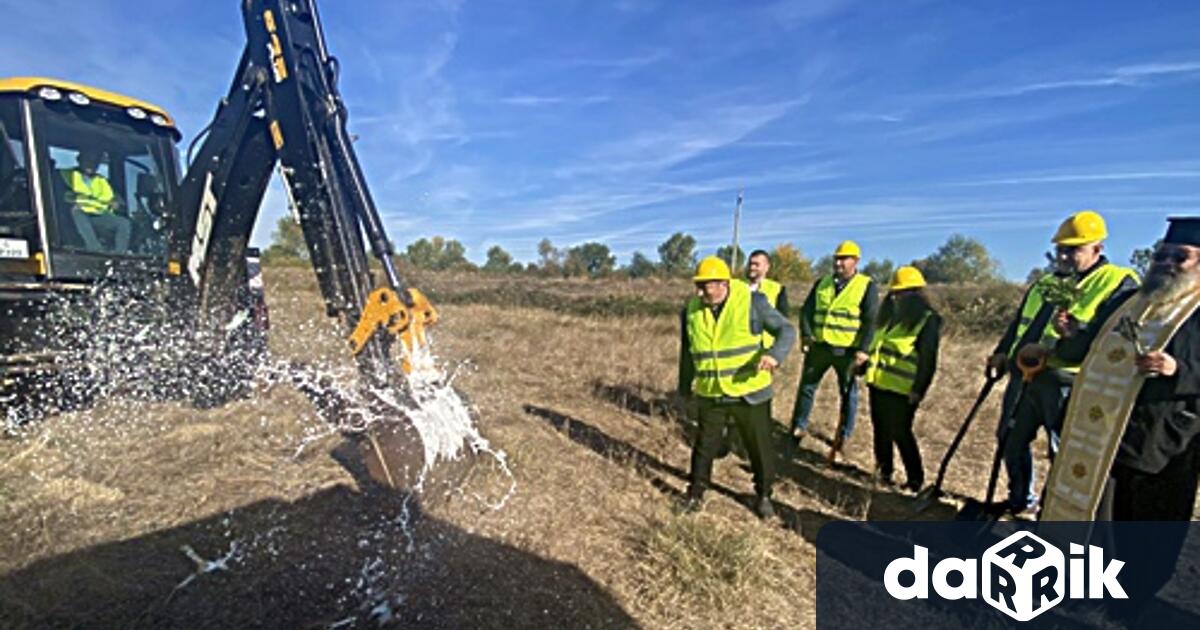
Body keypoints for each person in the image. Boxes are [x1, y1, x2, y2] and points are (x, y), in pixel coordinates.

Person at [1042, 218, 1200, 615]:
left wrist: (1176, 370)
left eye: (1179, 257)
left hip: (1165, 437)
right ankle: (1086, 592)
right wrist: (1071, 333)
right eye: (1161, 255)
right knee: (1103, 518)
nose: (1166, 263)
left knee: (1148, 527)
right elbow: (1089, 348)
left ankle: (1132, 604)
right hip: (1108, 430)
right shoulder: (1130, 302)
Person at [985, 210, 1138, 516]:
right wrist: (1003, 351)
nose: (1065, 256)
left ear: (1098, 249)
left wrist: (1073, 334)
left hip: (1069, 384)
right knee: (1010, 440)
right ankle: (1021, 500)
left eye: (1074, 249)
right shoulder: (1045, 283)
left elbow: (1113, 338)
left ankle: (1053, 511)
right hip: (1024, 376)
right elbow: (1020, 323)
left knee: (1064, 453)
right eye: (1061, 249)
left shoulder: (1119, 282)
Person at [677, 256, 796, 519]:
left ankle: (764, 495)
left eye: (706, 285)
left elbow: (786, 330)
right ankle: (695, 493)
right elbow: (687, 352)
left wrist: (775, 355)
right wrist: (684, 388)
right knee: (704, 445)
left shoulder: (753, 301)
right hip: (711, 390)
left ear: (723, 284)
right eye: (698, 285)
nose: (701, 291)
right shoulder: (691, 310)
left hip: (750, 390)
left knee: (759, 447)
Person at [791, 240, 878, 464]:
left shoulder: (866, 286)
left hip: (847, 353)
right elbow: (807, 312)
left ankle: (843, 438)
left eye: (844, 259)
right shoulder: (823, 283)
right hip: (819, 348)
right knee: (807, 388)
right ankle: (798, 428)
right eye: (836, 259)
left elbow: (870, 321)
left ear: (855, 261)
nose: (838, 263)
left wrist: (863, 350)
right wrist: (806, 336)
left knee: (848, 395)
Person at [864, 267, 940, 492]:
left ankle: (915, 479)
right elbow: (877, 347)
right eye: (894, 293)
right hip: (879, 383)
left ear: (916, 294)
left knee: (901, 432)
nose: (896, 298)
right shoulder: (889, 318)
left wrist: (919, 390)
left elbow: (928, 360)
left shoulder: (927, 320)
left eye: (902, 293)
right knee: (880, 430)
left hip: (904, 389)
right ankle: (883, 472)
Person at [61, 149, 130, 252]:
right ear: (79, 160)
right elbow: (62, 196)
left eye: (95, 161)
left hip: (99, 215)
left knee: (124, 223)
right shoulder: (67, 176)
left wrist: (116, 202)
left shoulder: (102, 180)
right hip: (77, 214)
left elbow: (116, 198)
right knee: (77, 213)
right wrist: (72, 202)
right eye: (88, 159)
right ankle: (96, 251)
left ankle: (119, 256)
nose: (91, 164)